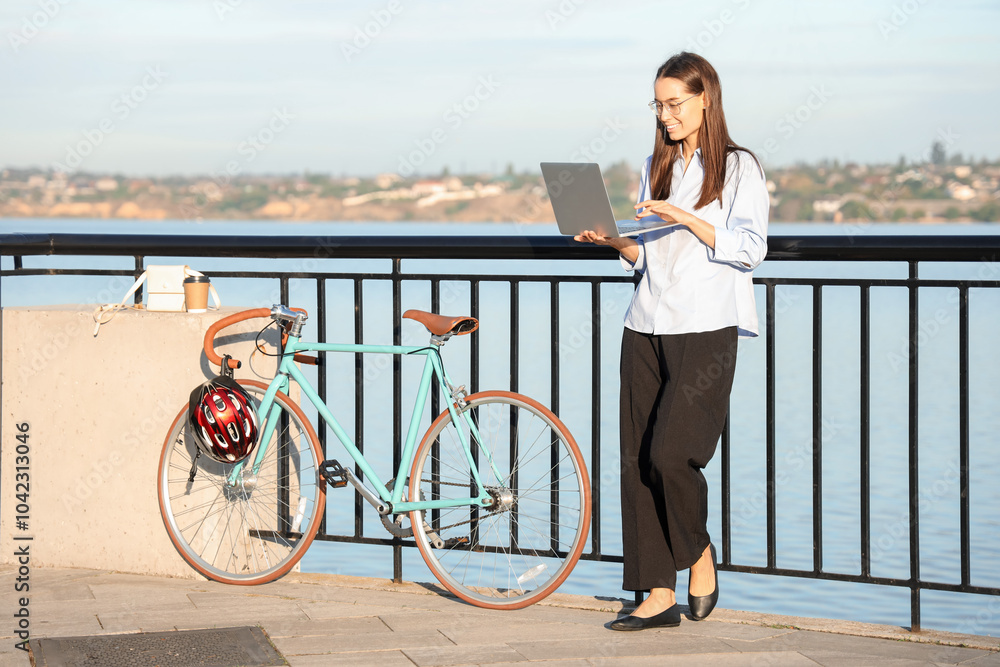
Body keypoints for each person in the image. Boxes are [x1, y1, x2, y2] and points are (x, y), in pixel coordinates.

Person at [574, 51, 768, 631]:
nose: (665, 116)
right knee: (636, 461)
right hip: (646, 323)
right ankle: (655, 594)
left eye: (674, 103)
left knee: (670, 454)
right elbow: (647, 259)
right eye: (658, 106)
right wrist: (612, 242)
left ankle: (698, 553)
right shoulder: (654, 166)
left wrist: (685, 217)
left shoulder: (737, 168)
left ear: (704, 97)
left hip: (704, 327)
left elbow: (750, 247)